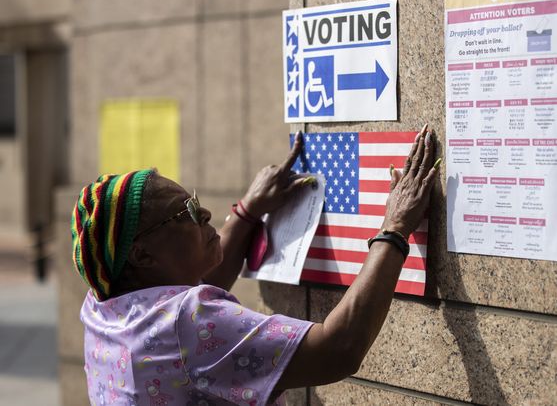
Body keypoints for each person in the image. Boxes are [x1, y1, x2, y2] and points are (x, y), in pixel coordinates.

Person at [72, 126, 439, 405]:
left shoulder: (104, 305)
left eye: (194, 200)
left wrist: (247, 213)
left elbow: (193, 299)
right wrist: (394, 228)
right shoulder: (187, 321)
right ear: (142, 255)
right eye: (185, 213)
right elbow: (338, 349)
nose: (205, 213)